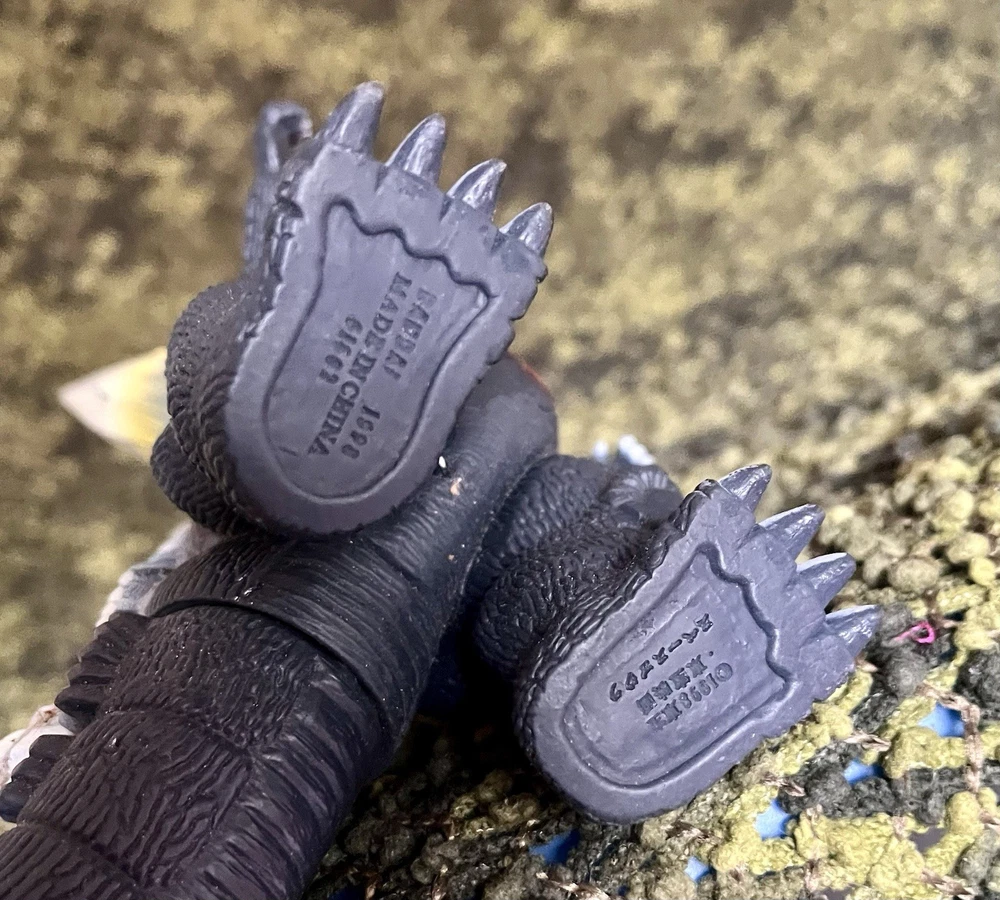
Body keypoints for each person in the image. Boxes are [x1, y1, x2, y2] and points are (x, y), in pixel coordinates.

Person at [0, 84, 878, 900]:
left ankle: (281, 368)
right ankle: (610, 607)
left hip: (237, 643)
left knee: (218, 456)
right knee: (564, 541)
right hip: (330, 612)